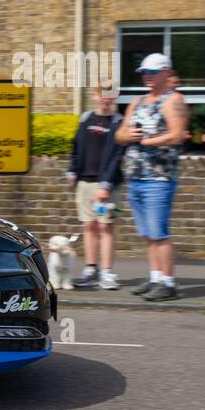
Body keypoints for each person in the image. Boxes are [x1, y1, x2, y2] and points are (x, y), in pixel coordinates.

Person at [117, 53, 188, 301]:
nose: (147, 76)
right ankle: (155, 277)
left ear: (166, 72)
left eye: (152, 72)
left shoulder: (173, 100)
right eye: (144, 72)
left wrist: (146, 140)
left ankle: (168, 283)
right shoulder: (136, 103)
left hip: (158, 177)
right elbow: (120, 135)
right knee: (148, 233)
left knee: (159, 233)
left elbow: (177, 135)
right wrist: (130, 136)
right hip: (136, 176)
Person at [67, 87, 124, 289]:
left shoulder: (118, 122)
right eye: (102, 95)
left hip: (105, 187)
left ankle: (107, 273)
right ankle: (91, 270)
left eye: (110, 96)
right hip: (84, 183)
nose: (105, 99)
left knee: (105, 227)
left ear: (115, 97)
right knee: (88, 225)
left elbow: (118, 156)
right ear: (94, 95)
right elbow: (76, 147)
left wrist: (106, 185)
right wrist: (72, 170)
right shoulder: (85, 119)